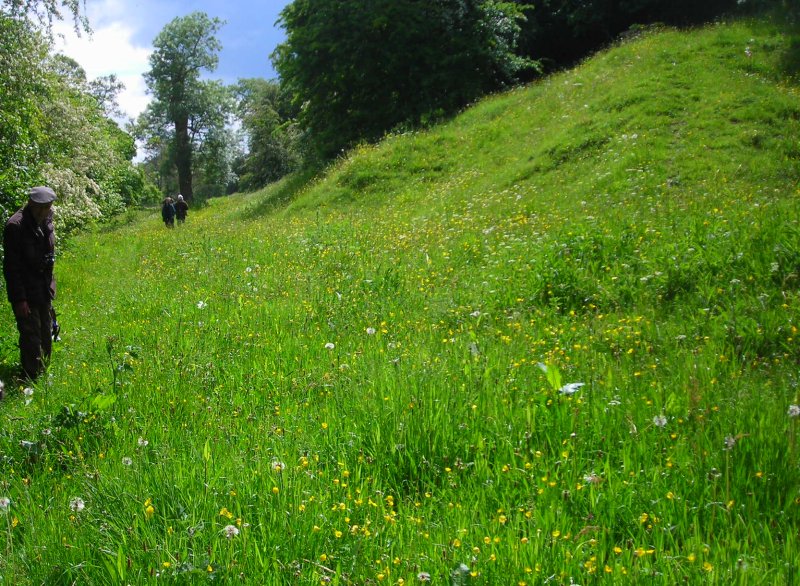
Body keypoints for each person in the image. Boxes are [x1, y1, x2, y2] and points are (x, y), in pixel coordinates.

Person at [3, 186, 57, 381]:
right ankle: (30, 378)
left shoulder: (47, 220)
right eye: (43, 207)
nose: (47, 211)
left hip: (43, 288)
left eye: (49, 207)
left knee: (46, 334)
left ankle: (44, 374)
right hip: (26, 292)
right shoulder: (15, 226)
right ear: (33, 205)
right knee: (31, 337)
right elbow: (11, 268)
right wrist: (19, 299)